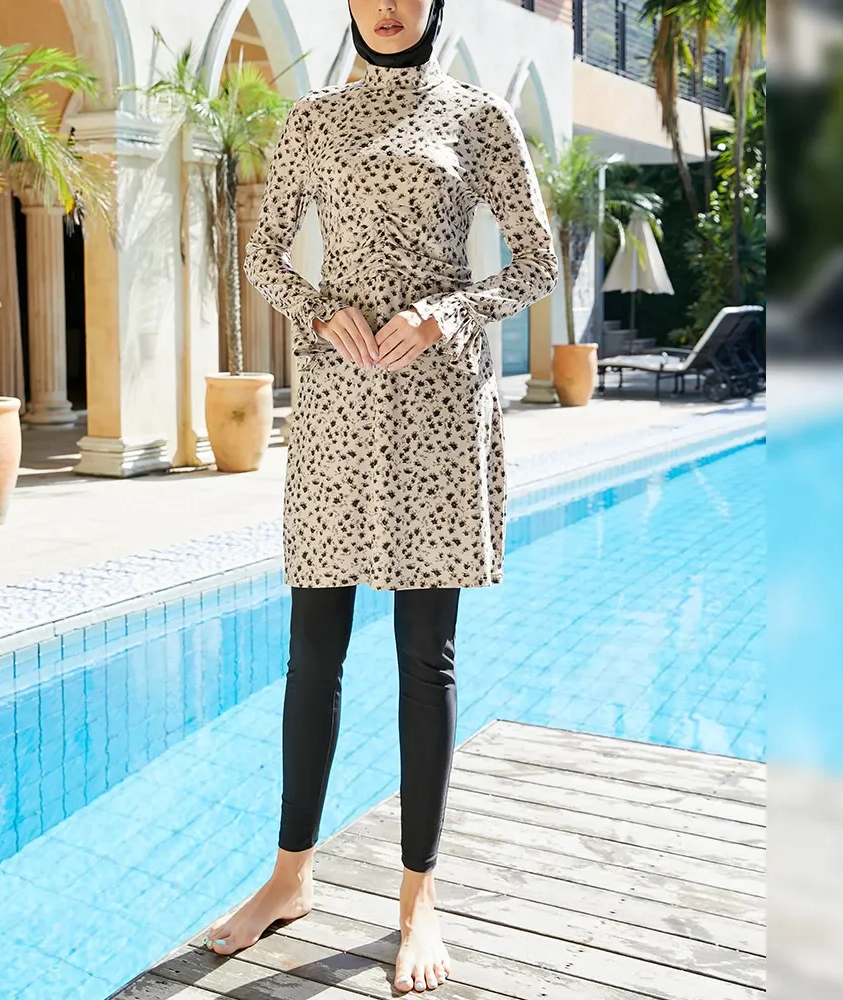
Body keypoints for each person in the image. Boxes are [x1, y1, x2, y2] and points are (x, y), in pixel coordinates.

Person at [200, 0, 558, 992]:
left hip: (438, 411)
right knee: (312, 651)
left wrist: (447, 312)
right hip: (336, 409)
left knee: (423, 657)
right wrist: (322, 311)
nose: (389, 8)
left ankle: (417, 899)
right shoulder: (313, 119)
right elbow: (265, 254)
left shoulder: (478, 115)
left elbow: (534, 259)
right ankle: (290, 878)